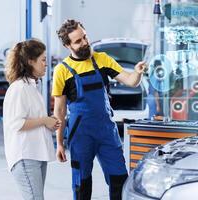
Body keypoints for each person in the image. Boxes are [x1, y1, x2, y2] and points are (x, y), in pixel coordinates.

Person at [52, 19, 146, 200]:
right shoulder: (61, 71)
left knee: (119, 178)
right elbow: (60, 111)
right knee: (82, 184)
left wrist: (138, 72)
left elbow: (131, 81)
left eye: (85, 37)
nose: (85, 42)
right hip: (81, 135)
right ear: (67, 45)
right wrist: (60, 143)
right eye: (78, 41)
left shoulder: (102, 59)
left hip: (106, 132)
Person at [3, 39, 61, 200]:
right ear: (30, 62)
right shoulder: (19, 88)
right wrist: (44, 120)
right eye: (42, 60)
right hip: (25, 156)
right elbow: (17, 123)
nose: (46, 64)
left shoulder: (31, 87)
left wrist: (49, 123)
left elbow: (33, 119)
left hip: (36, 154)